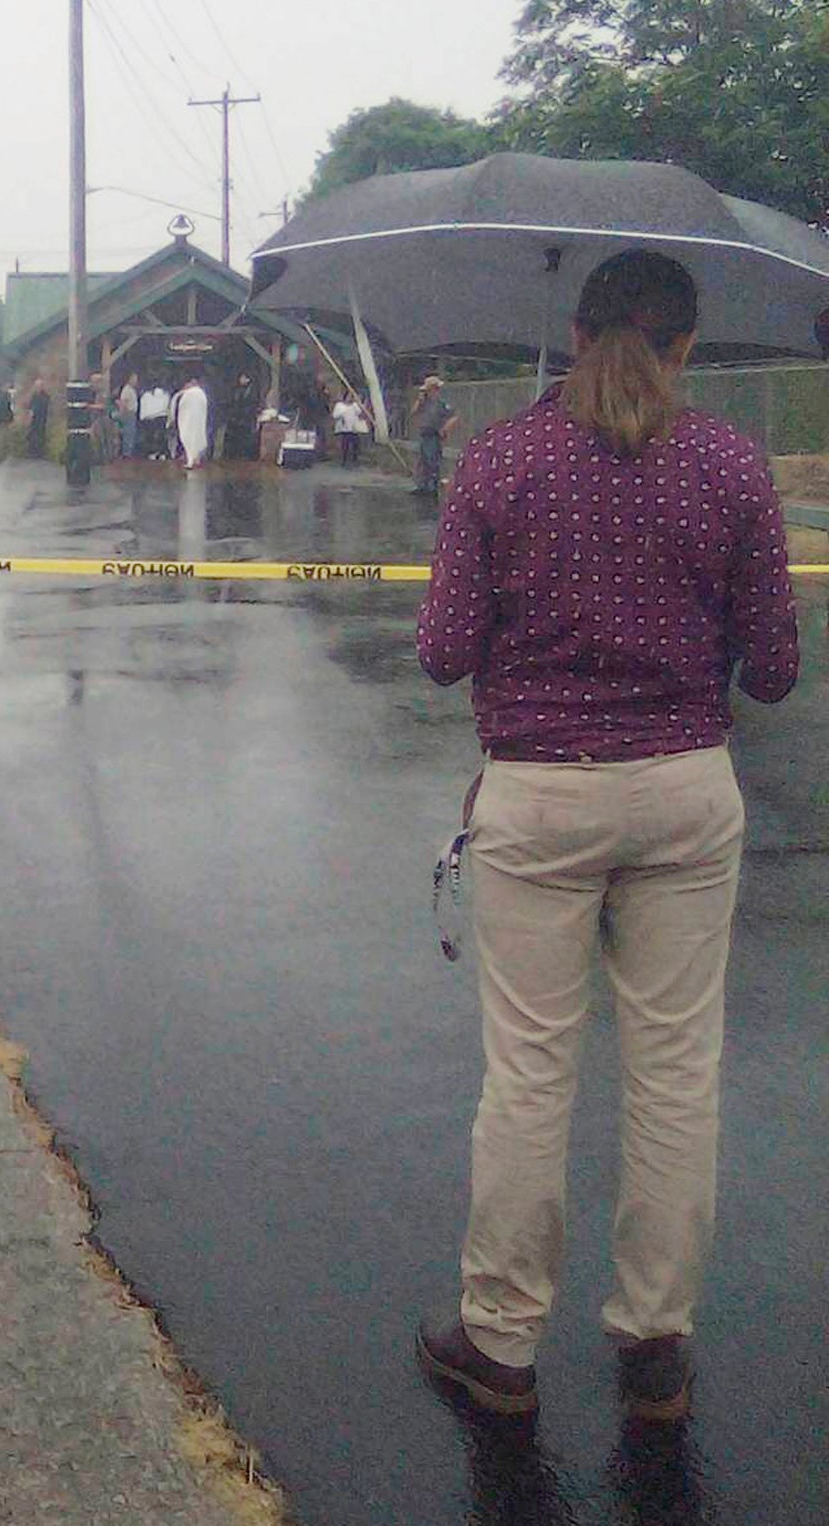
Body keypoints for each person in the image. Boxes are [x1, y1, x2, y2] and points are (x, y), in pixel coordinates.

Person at [413, 250, 800, 1423]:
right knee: (674, 1075)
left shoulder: (502, 458)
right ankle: (652, 1347)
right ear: (683, 346)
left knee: (529, 1074)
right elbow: (775, 670)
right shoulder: (728, 464)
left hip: (540, 794)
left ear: (575, 334)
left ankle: (499, 1342)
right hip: (685, 791)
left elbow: (440, 649)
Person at [410, 374, 457, 496]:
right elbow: (413, 412)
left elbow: (453, 416)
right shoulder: (424, 403)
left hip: (434, 435)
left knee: (432, 461)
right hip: (424, 434)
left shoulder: (442, 403)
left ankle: (432, 487)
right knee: (422, 461)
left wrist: (445, 428)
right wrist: (419, 401)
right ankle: (422, 485)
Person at [173, 373, 211, 469]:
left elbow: (181, 407)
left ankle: (190, 460)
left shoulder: (188, 393)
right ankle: (196, 458)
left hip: (188, 421)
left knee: (189, 440)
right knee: (197, 438)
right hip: (198, 421)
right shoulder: (201, 393)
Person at [224, 373, 262, 462]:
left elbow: (254, 403)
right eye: (241, 378)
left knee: (247, 437)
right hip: (235, 418)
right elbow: (232, 401)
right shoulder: (235, 389)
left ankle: (247, 455)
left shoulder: (253, 390)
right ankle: (233, 454)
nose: (241, 380)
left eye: (244, 378)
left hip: (247, 418)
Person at [331, 391, 369, 468]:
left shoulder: (354, 405)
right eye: (349, 396)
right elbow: (335, 415)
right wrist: (343, 413)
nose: (350, 398)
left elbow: (359, 412)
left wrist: (359, 403)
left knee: (356, 444)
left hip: (353, 428)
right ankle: (344, 460)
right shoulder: (339, 405)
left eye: (351, 396)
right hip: (344, 428)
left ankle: (355, 459)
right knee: (345, 445)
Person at [139, 377, 172, 460]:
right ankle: (162, 453)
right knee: (162, 436)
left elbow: (143, 408)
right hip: (161, 418)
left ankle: (152, 453)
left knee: (150, 437)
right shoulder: (166, 394)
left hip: (149, 419)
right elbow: (167, 407)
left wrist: (142, 418)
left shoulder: (146, 395)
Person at [24, 379, 51, 460]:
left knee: (41, 435)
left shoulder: (45, 396)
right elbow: (30, 407)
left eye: (39, 386)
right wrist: (30, 416)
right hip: (34, 419)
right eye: (37, 386)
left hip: (42, 418)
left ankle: (40, 452)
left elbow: (46, 406)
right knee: (32, 435)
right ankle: (32, 452)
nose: (38, 387)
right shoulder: (34, 396)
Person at [117, 375, 140, 460]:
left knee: (130, 433)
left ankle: (128, 452)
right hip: (128, 413)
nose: (136, 381)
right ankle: (126, 453)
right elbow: (123, 402)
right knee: (128, 433)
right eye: (134, 379)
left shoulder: (131, 390)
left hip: (131, 413)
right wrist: (122, 413)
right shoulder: (127, 390)